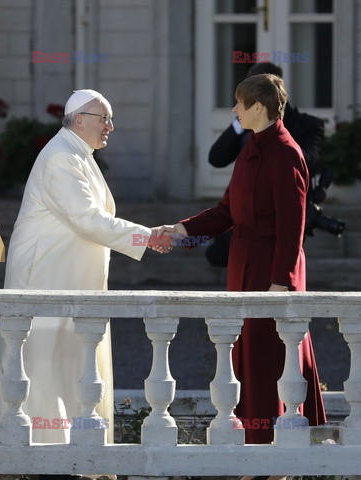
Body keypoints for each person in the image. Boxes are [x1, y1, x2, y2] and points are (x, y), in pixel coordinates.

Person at [0, 89, 169, 479]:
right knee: (39, 361)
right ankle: (27, 454)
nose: (110, 128)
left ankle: (72, 453)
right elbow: (87, 218)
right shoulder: (60, 157)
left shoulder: (76, 153)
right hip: (45, 277)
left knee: (70, 362)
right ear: (80, 119)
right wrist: (146, 236)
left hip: (68, 276)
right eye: (105, 120)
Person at [160, 74, 326, 444]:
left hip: (272, 271)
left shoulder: (286, 153)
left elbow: (292, 226)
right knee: (246, 357)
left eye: (239, 103)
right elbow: (225, 212)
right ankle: (256, 445)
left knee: (270, 358)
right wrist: (181, 230)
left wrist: (280, 280)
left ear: (258, 107)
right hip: (243, 264)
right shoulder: (250, 148)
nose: (234, 110)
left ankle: (278, 449)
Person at [206, 62, 325, 267]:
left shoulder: (306, 126)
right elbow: (216, 159)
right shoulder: (246, 125)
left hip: (276, 218)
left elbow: (307, 160)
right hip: (244, 213)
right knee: (221, 255)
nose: (238, 106)